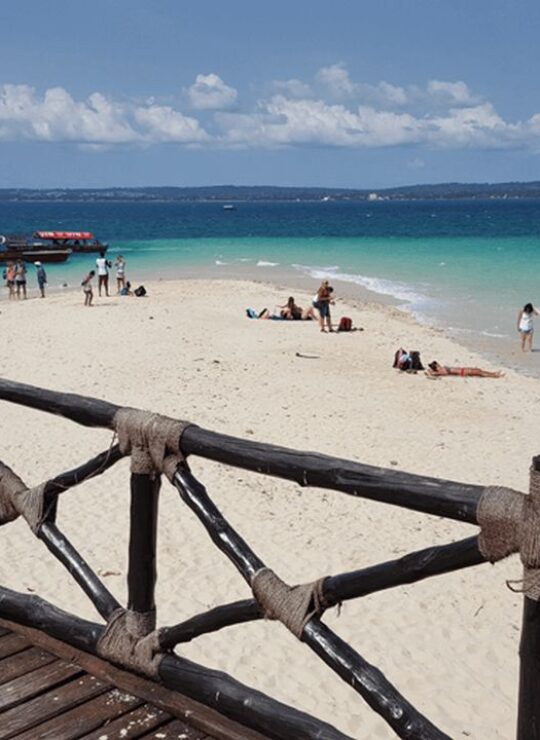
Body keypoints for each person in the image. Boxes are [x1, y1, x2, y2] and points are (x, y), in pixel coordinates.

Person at [426, 361, 504, 378]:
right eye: (436, 364)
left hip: (463, 370)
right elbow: (433, 374)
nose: (438, 364)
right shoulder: (441, 371)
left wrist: (431, 370)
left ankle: (494, 373)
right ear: (436, 367)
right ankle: (494, 375)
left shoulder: (441, 369)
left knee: (479, 370)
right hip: (463, 372)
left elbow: (432, 371)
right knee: (479, 372)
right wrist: (431, 372)